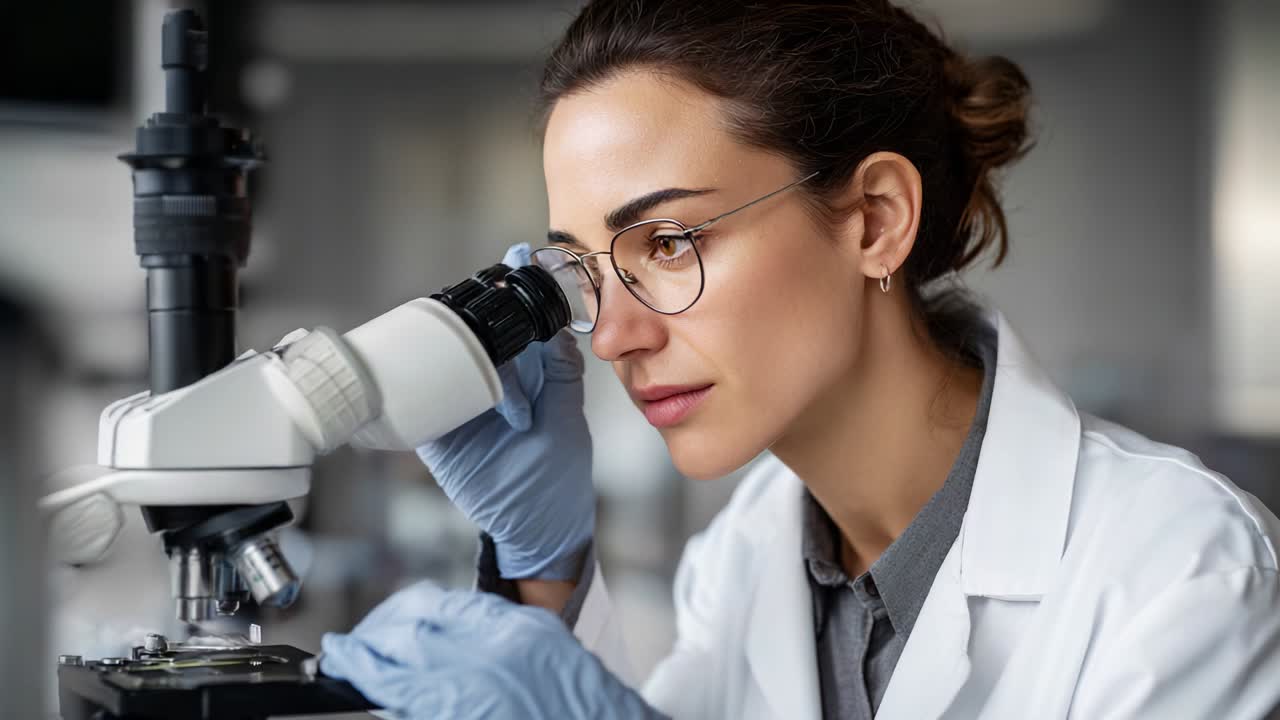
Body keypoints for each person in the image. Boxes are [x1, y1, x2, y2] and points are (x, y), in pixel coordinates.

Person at [318, 1, 1280, 718]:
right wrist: (545, 574)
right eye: (584, 273)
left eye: (670, 241)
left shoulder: (1178, 571)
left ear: (874, 221)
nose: (612, 336)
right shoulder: (742, 563)